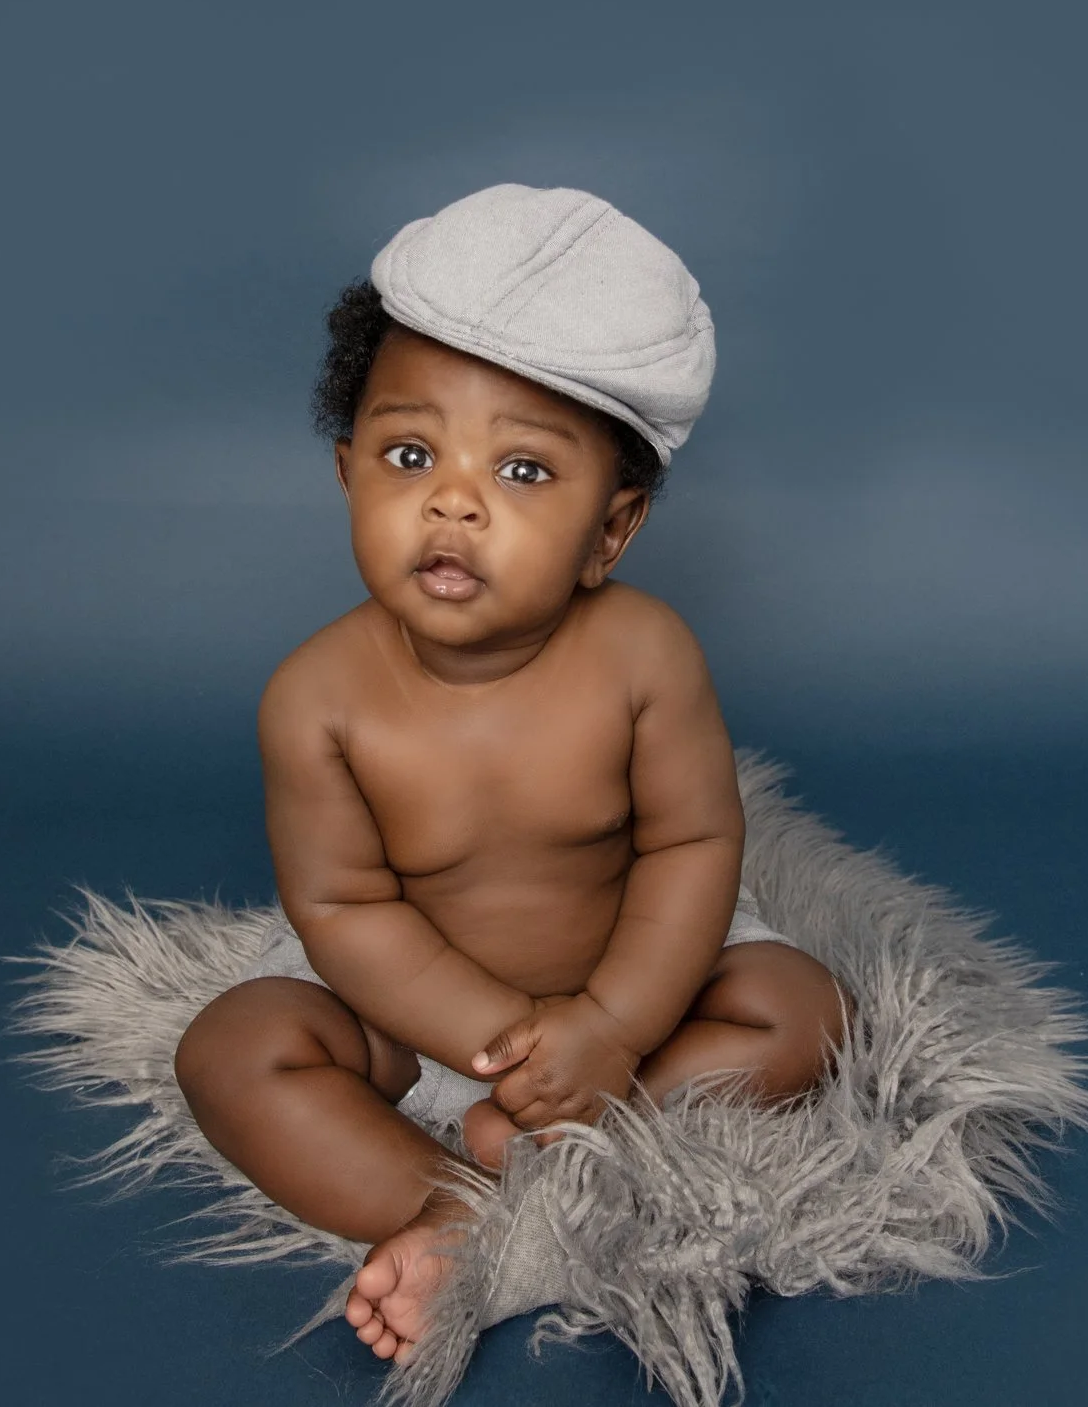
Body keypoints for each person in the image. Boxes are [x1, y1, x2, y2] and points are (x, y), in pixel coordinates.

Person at [172, 183, 850, 1365]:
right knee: (231, 1048)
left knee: (804, 1012)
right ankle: (458, 1205)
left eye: (524, 471)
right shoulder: (317, 696)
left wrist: (611, 1025)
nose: (453, 499)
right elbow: (343, 904)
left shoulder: (644, 655)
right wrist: (507, 1040)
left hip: (633, 1000)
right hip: (406, 1021)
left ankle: (571, 1140)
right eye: (410, 453)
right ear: (347, 471)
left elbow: (692, 844)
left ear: (611, 531)